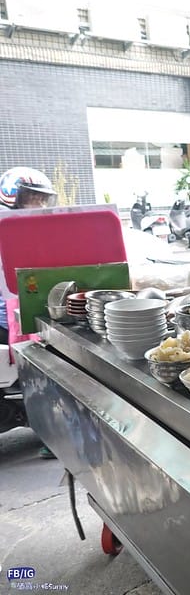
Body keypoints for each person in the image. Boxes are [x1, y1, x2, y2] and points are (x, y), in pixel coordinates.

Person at [0, 167, 59, 459]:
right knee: (42, 367)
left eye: (41, 199)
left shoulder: (33, 230)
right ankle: (51, 435)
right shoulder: (6, 229)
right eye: (32, 198)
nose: (38, 204)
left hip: (29, 308)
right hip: (11, 316)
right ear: (14, 197)